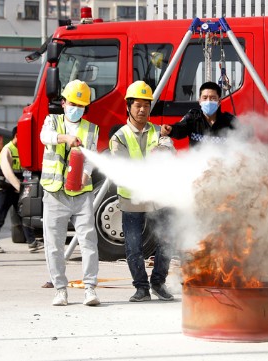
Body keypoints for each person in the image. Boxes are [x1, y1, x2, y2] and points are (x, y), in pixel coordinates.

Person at [110, 80, 175, 302]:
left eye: (146, 105)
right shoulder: (119, 137)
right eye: (137, 105)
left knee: (166, 239)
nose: (142, 109)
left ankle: (158, 283)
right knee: (134, 245)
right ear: (128, 106)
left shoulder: (160, 131)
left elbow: (169, 156)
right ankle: (141, 288)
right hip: (132, 198)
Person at [40, 80, 100, 307]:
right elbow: (45, 137)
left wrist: (85, 174)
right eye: (73, 103)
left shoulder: (92, 129)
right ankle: (60, 290)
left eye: (82, 105)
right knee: (54, 244)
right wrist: (66, 138)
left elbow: (91, 158)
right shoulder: (51, 120)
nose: (77, 108)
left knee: (88, 241)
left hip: (82, 194)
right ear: (63, 103)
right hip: (55, 193)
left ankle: (90, 289)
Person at [0, 126, 41, 254]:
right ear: (17, 135)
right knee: (0, 216)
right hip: (4, 190)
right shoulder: (7, 149)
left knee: (24, 215)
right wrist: (19, 187)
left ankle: (32, 243)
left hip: (17, 190)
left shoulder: (23, 150)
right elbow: (7, 172)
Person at [160, 81, 237, 147]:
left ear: (219, 101)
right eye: (205, 98)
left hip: (221, 163)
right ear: (199, 101)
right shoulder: (193, 117)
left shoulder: (230, 121)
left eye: (213, 98)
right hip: (197, 163)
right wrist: (171, 129)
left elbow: (243, 140)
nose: (208, 101)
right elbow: (181, 128)